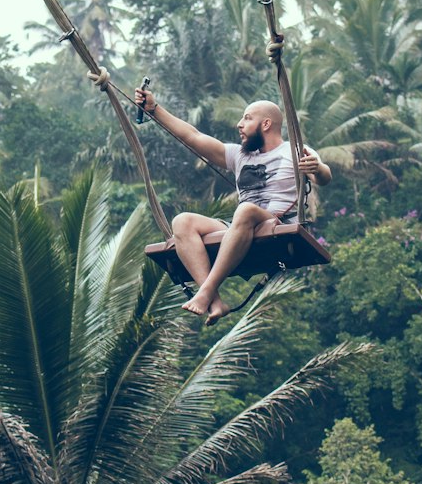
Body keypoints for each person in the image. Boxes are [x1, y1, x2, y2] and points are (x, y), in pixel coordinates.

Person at [134, 87, 331, 324]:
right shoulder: (239, 155)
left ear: (266, 124)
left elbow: (324, 176)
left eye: (247, 118)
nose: (239, 124)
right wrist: (154, 109)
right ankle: (215, 300)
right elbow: (192, 136)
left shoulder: (295, 151)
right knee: (182, 221)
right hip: (241, 225)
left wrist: (316, 169)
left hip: (275, 224)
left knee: (245, 209)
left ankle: (205, 292)